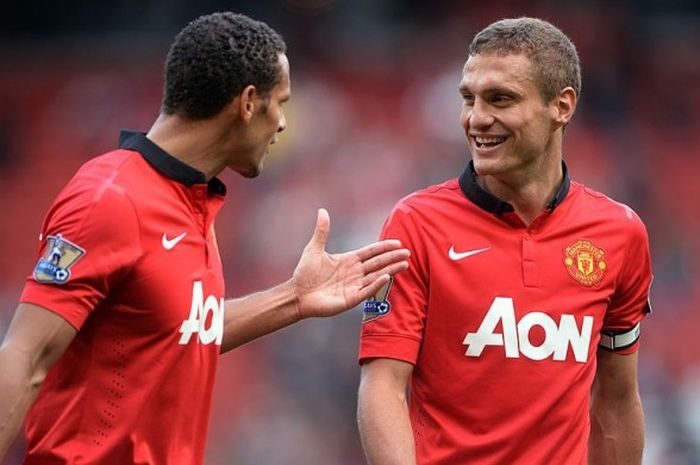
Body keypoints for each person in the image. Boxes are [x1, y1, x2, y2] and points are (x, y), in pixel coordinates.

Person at [0, 12, 410, 465]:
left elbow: (178, 332)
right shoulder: (111, 197)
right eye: (282, 103)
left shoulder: (193, 203)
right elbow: (25, 354)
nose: (284, 125)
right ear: (249, 102)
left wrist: (293, 299)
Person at [357, 17, 652, 465]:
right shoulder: (416, 224)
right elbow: (383, 387)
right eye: (468, 99)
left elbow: (616, 401)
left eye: (500, 99)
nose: (477, 119)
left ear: (562, 106)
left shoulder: (620, 234)